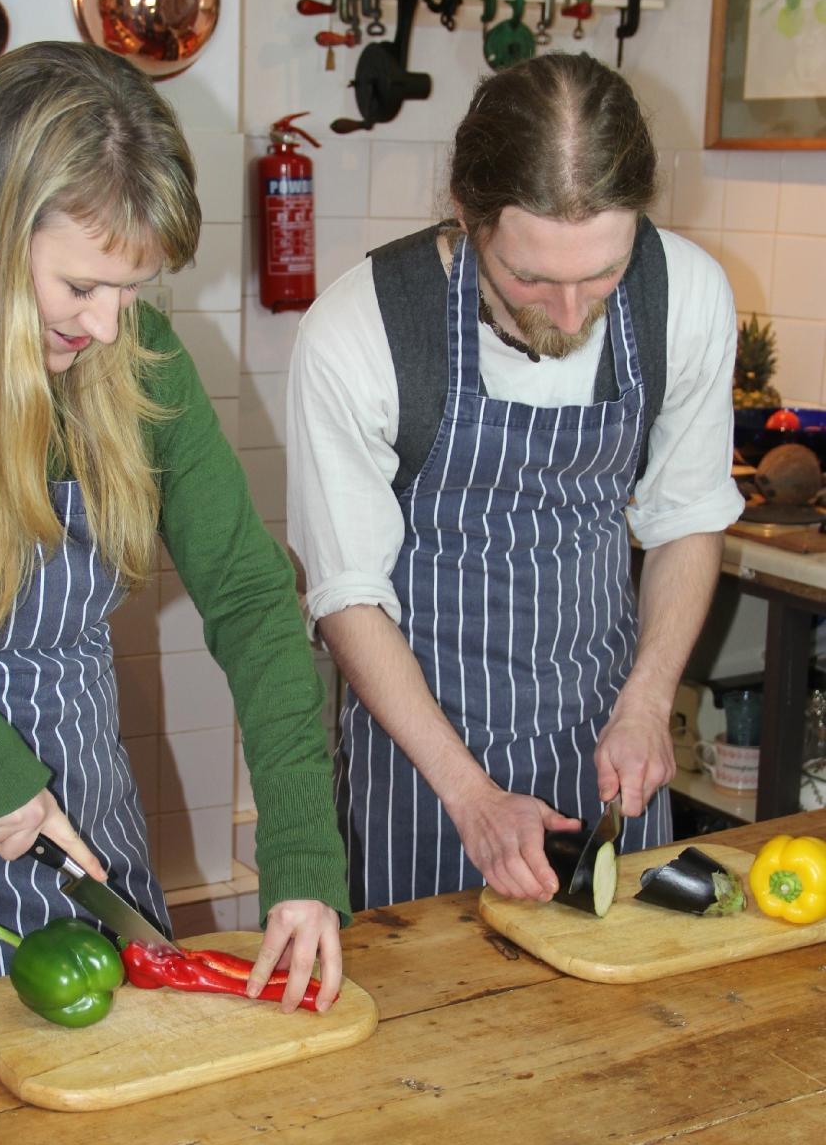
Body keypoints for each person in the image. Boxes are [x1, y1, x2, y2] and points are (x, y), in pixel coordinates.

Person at [0, 40, 350, 1017]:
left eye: (133, 290)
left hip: (87, 841)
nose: (111, 328)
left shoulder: (135, 359)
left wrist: (302, 853)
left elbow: (246, 594)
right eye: (80, 288)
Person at [287, 52, 744, 913]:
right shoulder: (361, 332)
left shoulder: (685, 294)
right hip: (424, 763)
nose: (570, 315)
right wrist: (469, 793)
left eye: (602, 275)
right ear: (467, 216)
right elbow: (347, 593)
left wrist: (650, 699)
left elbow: (685, 516)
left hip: (608, 747)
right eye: (531, 278)